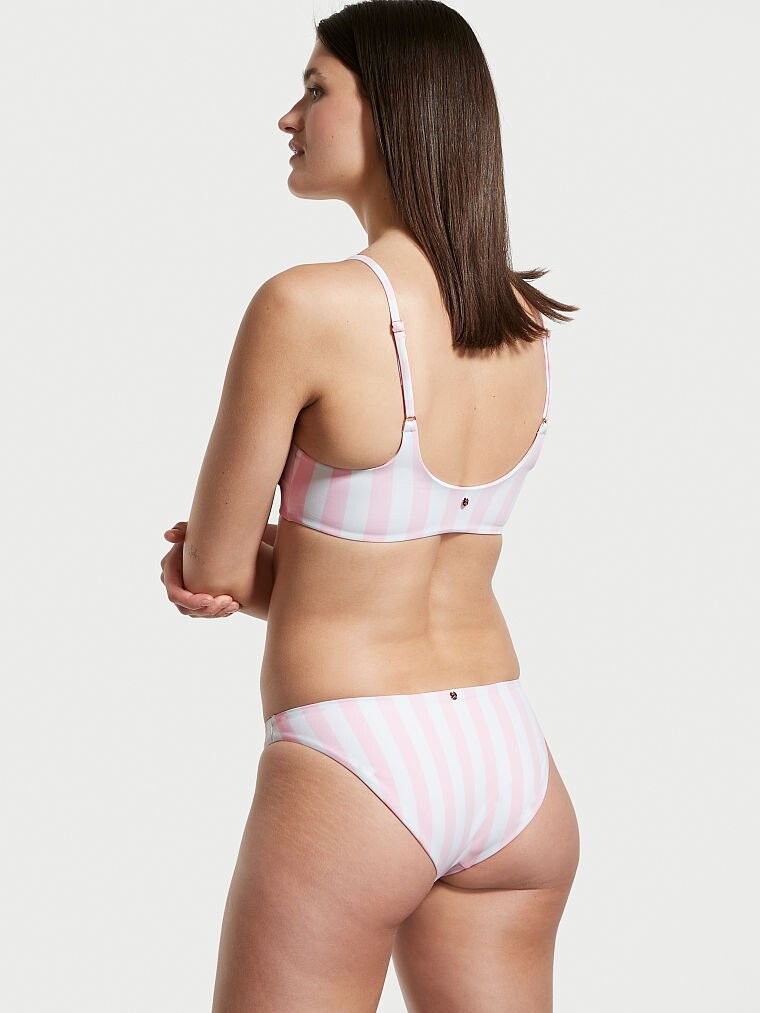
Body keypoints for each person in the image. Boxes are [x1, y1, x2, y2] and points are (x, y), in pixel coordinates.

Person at [160, 2, 581, 1009]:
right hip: (508, 756)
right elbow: (417, 542)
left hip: (357, 762)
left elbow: (214, 568)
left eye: (315, 89)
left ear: (391, 110)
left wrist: (237, 566)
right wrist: (310, 570)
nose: (288, 116)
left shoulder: (303, 305)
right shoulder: (521, 322)